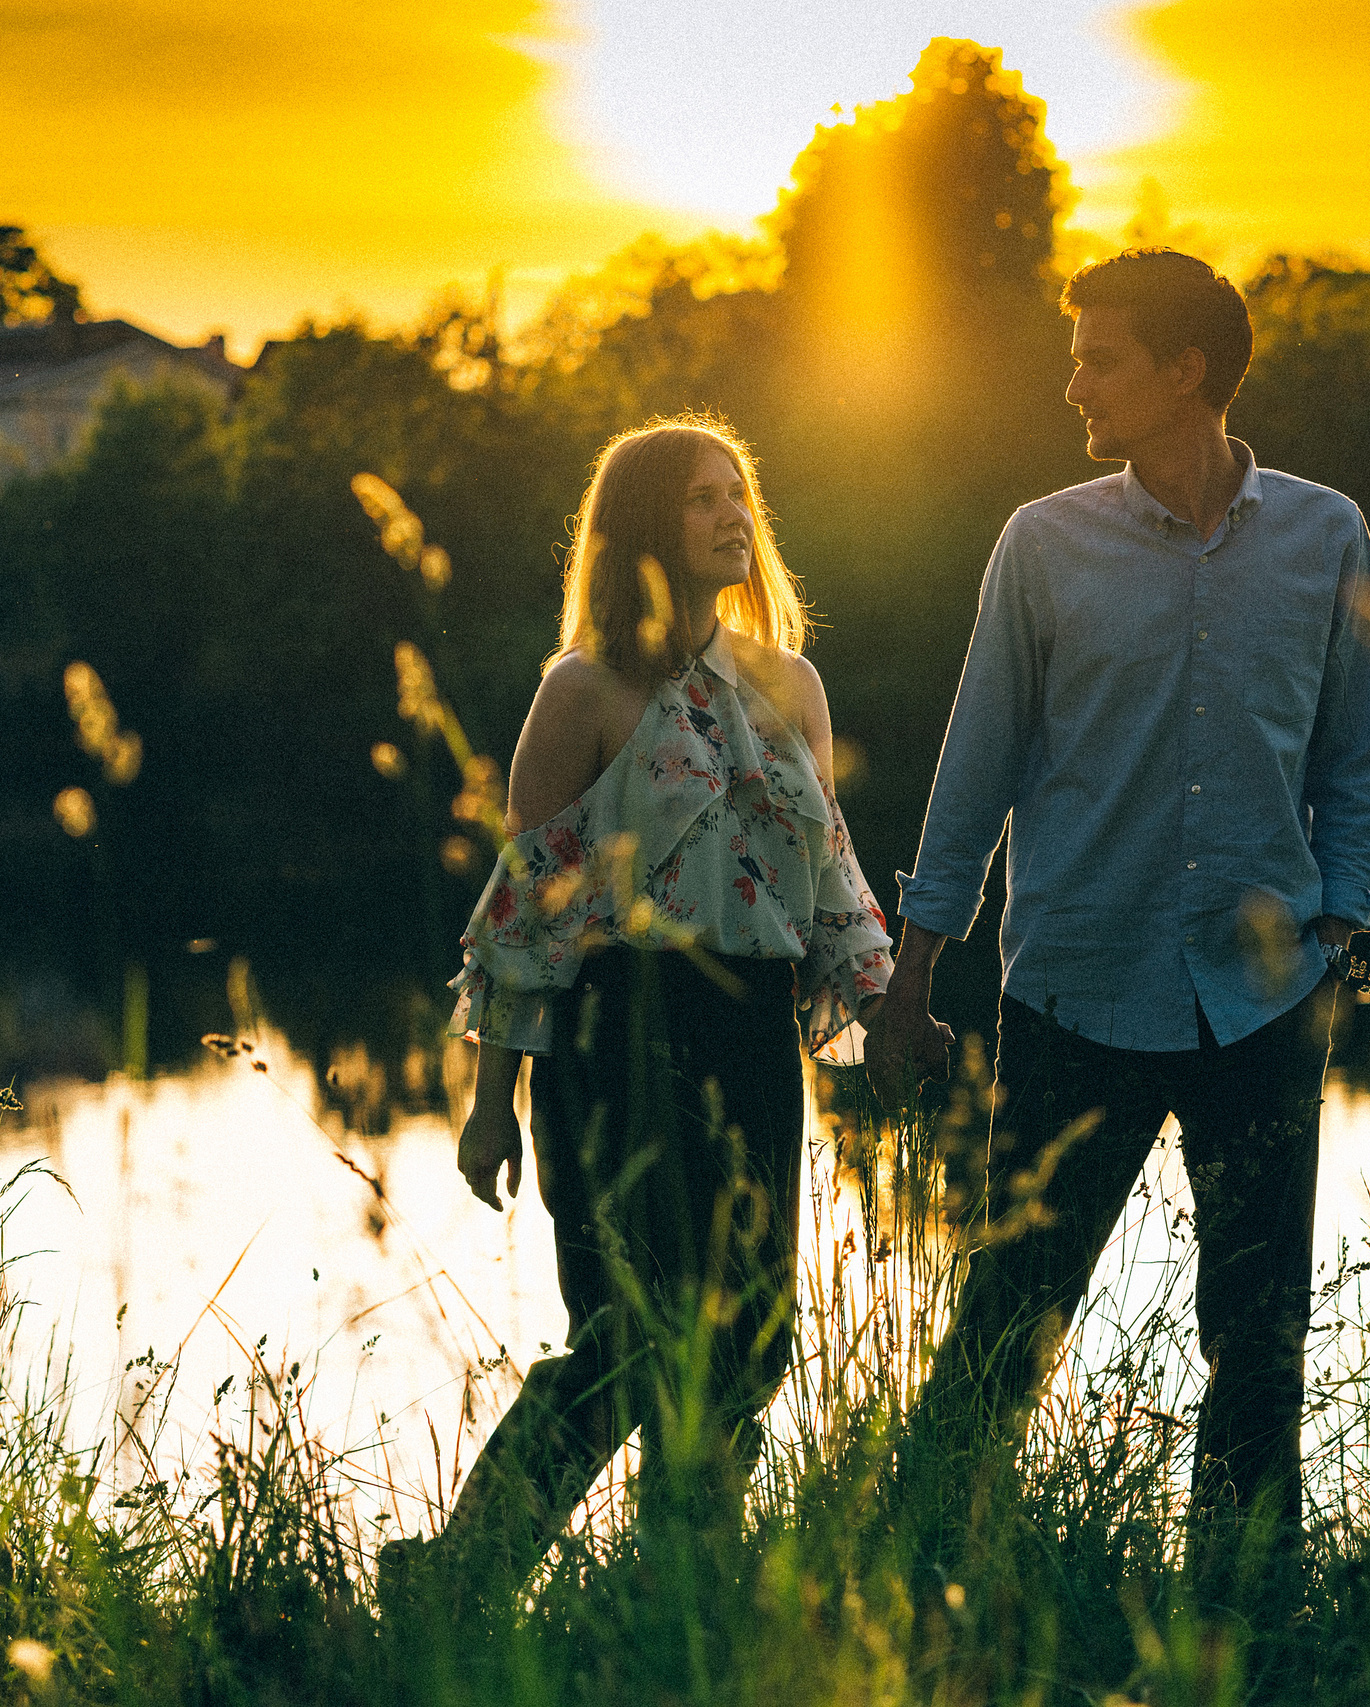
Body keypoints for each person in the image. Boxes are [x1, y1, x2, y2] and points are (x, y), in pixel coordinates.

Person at [865, 249, 1370, 1568]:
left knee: (1261, 1335)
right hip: (1075, 998)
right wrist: (913, 969)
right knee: (1011, 1318)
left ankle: (1241, 1603)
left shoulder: (1327, 533)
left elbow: (1360, 750)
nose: (1072, 383)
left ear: (1186, 370)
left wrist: (1334, 921)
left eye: (1100, 356)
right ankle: (903, 1578)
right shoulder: (1042, 544)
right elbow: (974, 757)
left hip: (1264, 1000)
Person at [382, 416, 915, 1613]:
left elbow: (828, 870)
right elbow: (524, 917)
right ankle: (457, 1579)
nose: (731, 515)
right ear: (638, 528)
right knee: (629, 1332)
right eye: (697, 499)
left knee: (749, 1334)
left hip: (747, 1034)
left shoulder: (791, 685)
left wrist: (888, 1012)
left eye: (740, 492)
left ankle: (689, 1589)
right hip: (613, 1033)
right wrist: (488, 1109)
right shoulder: (581, 693)